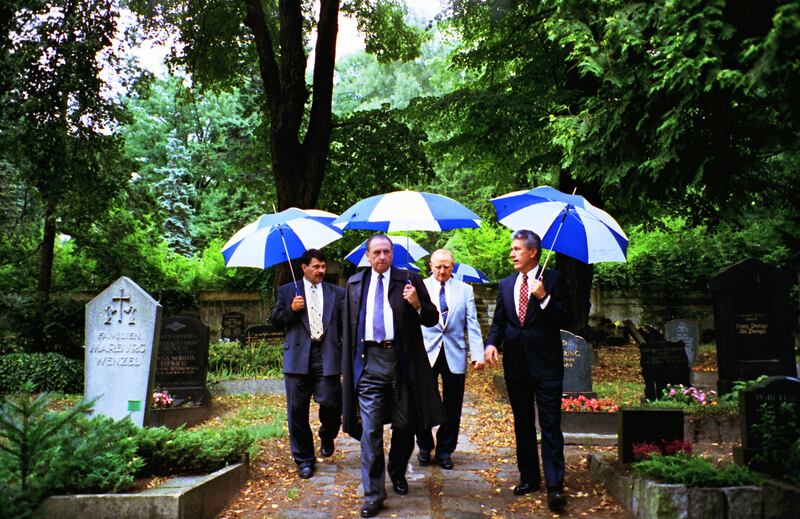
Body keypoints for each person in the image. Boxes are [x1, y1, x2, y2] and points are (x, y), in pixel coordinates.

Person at [341, 234, 445, 518]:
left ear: (393, 253)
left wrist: (416, 304)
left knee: (405, 425)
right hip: (369, 364)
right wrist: (346, 369)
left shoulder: (409, 279)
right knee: (370, 431)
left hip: (402, 364)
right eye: (376, 252)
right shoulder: (354, 284)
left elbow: (432, 318)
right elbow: (348, 330)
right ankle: (373, 493)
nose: (382, 257)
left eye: (387, 252)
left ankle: (397, 471)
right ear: (368, 254)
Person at [484, 229, 571, 512]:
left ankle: (555, 485)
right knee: (522, 422)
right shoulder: (506, 283)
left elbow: (566, 317)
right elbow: (500, 320)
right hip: (516, 365)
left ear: (533, 252)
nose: (512, 253)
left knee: (549, 424)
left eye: (517, 249)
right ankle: (530, 478)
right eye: (512, 249)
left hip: (546, 364)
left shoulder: (554, 279)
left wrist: (544, 297)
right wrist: (491, 343)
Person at [270, 249, 345, 479]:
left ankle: (327, 433)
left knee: (332, 403)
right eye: (316, 267)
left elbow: (344, 326)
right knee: (296, 411)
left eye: (323, 267)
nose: (321, 271)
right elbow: (274, 322)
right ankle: (304, 460)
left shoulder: (337, 293)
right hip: (297, 359)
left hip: (328, 355)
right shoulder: (287, 292)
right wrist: (291, 310)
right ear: (304, 268)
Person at [416, 249, 485, 470]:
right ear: (430, 265)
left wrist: (477, 354)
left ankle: (445, 450)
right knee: (422, 400)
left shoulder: (465, 290)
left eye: (447, 266)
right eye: (438, 267)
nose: (442, 271)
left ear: (453, 266)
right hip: (426, 352)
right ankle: (425, 445)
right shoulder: (420, 287)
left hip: (454, 351)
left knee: (453, 404)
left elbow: (472, 324)